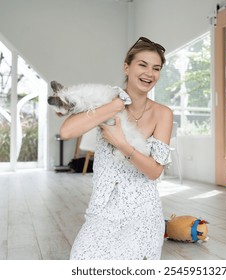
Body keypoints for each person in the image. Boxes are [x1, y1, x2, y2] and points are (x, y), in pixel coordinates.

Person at [60, 37, 173, 260]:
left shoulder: (163, 114)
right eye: (142, 65)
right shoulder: (106, 101)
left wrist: (121, 143)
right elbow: (67, 132)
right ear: (127, 67)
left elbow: (154, 172)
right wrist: (114, 106)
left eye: (156, 68)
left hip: (144, 215)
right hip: (102, 211)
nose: (149, 73)